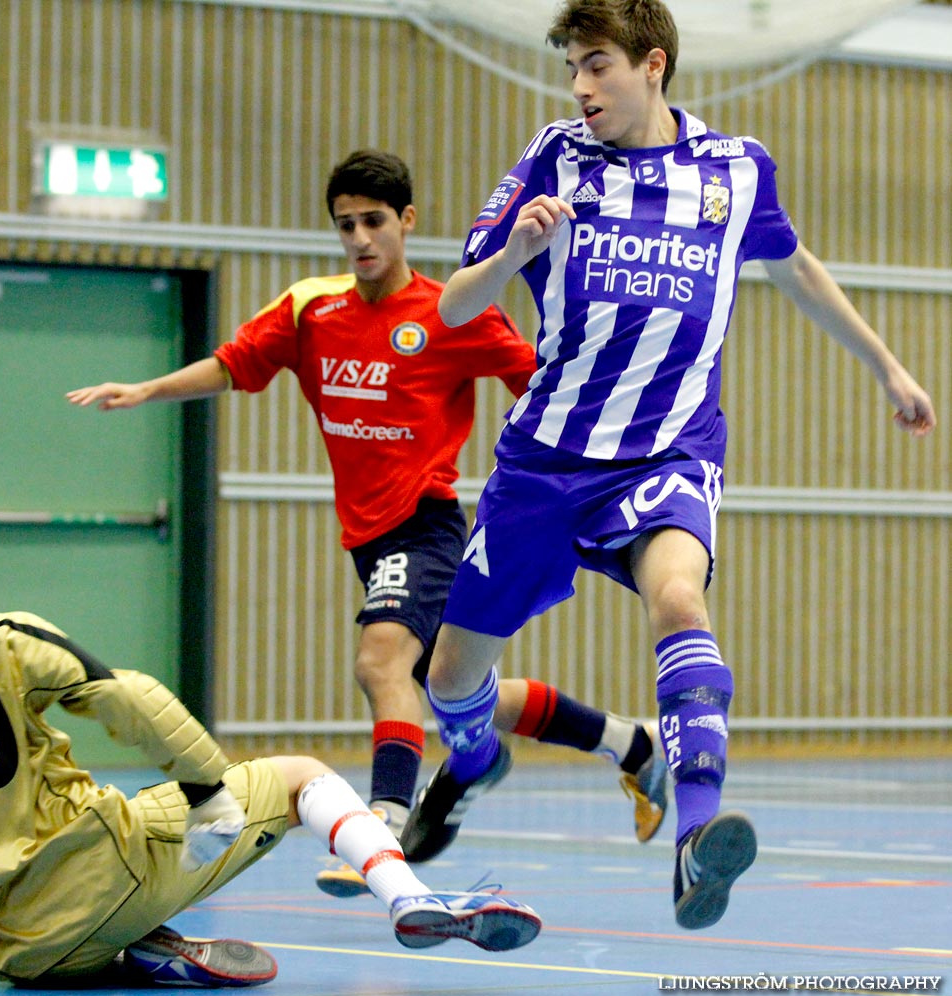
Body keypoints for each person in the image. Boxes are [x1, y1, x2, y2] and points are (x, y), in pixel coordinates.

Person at [398, 0, 937, 932]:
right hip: (546, 460)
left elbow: (794, 265)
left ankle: (695, 837)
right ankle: (476, 756)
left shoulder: (734, 170)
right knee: (447, 676)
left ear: (651, 64)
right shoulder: (552, 156)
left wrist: (885, 364)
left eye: (596, 64)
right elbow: (450, 307)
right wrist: (516, 250)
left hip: (669, 449)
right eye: (570, 66)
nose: (579, 86)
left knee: (681, 601)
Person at [67, 149, 670, 898]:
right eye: (345, 224)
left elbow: (539, 385)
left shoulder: (452, 311)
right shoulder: (311, 310)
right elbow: (233, 364)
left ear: (405, 222)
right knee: (455, 690)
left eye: (373, 221)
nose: (358, 238)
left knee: (378, 664)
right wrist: (146, 388)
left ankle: (384, 818)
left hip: (424, 524)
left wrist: (587, 476)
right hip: (367, 537)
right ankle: (629, 742)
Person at [0, 511, 543, 988]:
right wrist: (210, 788)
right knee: (298, 777)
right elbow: (132, 698)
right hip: (102, 873)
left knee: (65, 927)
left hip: (10, 955)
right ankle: (411, 899)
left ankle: (137, 951)